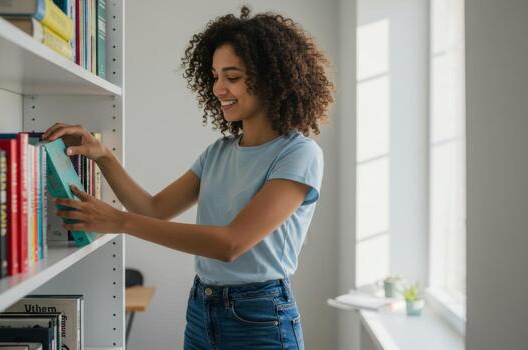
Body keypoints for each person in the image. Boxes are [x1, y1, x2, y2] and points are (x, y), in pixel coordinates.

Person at [42, 6, 334, 350]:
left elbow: (230, 244)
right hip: (201, 307)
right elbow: (154, 209)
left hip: (259, 315)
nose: (218, 88)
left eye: (233, 77)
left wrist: (120, 222)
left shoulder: (299, 154)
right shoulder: (218, 152)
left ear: (272, 78)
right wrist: (104, 156)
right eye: (214, 76)